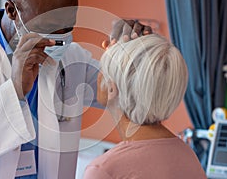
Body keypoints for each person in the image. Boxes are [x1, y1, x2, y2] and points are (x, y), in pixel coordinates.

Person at [0, 0, 152, 178]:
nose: (59, 40)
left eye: (67, 28)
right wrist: (14, 89)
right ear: (12, 10)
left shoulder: (71, 58)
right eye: (50, 28)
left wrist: (136, 53)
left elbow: (127, 94)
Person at [83, 34, 207, 179]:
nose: (98, 74)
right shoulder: (188, 156)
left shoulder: (104, 170)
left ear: (111, 89)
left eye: (102, 69)